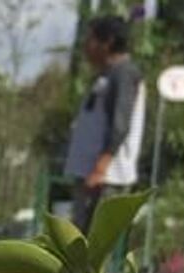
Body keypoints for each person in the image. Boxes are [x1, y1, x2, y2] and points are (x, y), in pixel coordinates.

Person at [63, 15, 144, 233]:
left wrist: (100, 168)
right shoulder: (106, 75)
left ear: (107, 42)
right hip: (93, 175)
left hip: (105, 177)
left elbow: (120, 124)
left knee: (91, 247)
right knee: (80, 240)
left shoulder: (124, 74)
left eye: (90, 39)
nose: (86, 46)